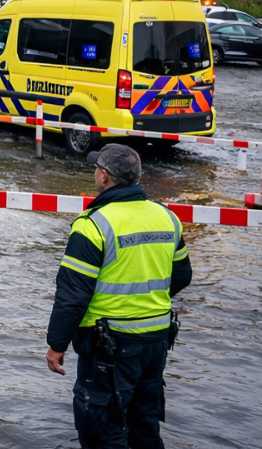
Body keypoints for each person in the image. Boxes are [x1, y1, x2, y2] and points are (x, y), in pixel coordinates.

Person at [46, 144, 191, 449]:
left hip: (110, 348)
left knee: (104, 431)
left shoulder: (93, 225)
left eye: (97, 168)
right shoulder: (167, 217)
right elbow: (182, 276)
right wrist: (145, 302)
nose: (96, 173)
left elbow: (72, 295)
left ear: (104, 177)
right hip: (155, 343)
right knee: (145, 427)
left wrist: (56, 345)